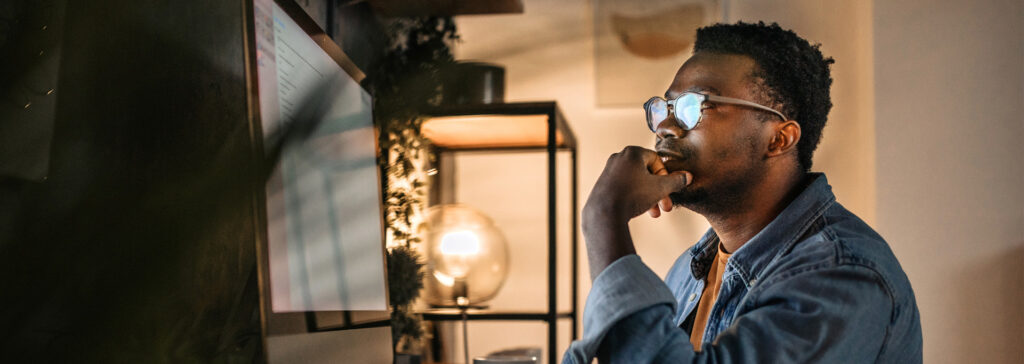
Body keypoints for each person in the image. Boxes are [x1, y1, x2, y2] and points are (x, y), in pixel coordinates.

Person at [563, 22, 922, 363]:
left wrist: (603, 218)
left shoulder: (842, 276)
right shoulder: (689, 272)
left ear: (778, 138)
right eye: (666, 108)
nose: (668, 127)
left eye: (694, 107)